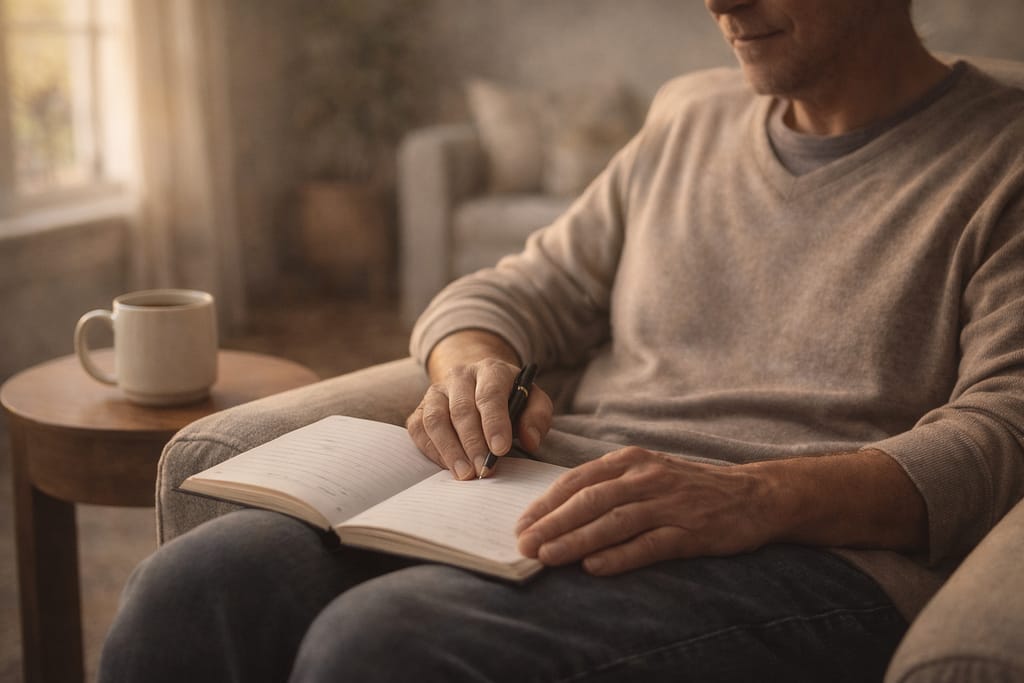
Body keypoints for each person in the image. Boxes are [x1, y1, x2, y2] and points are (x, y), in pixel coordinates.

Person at [100, 0, 1024, 680]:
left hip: (811, 555)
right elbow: (518, 286)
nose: (720, 5)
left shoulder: (1001, 159)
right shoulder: (688, 121)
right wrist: (471, 365)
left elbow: (1002, 434)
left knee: (385, 644)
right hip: (563, 498)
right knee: (200, 582)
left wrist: (750, 496)